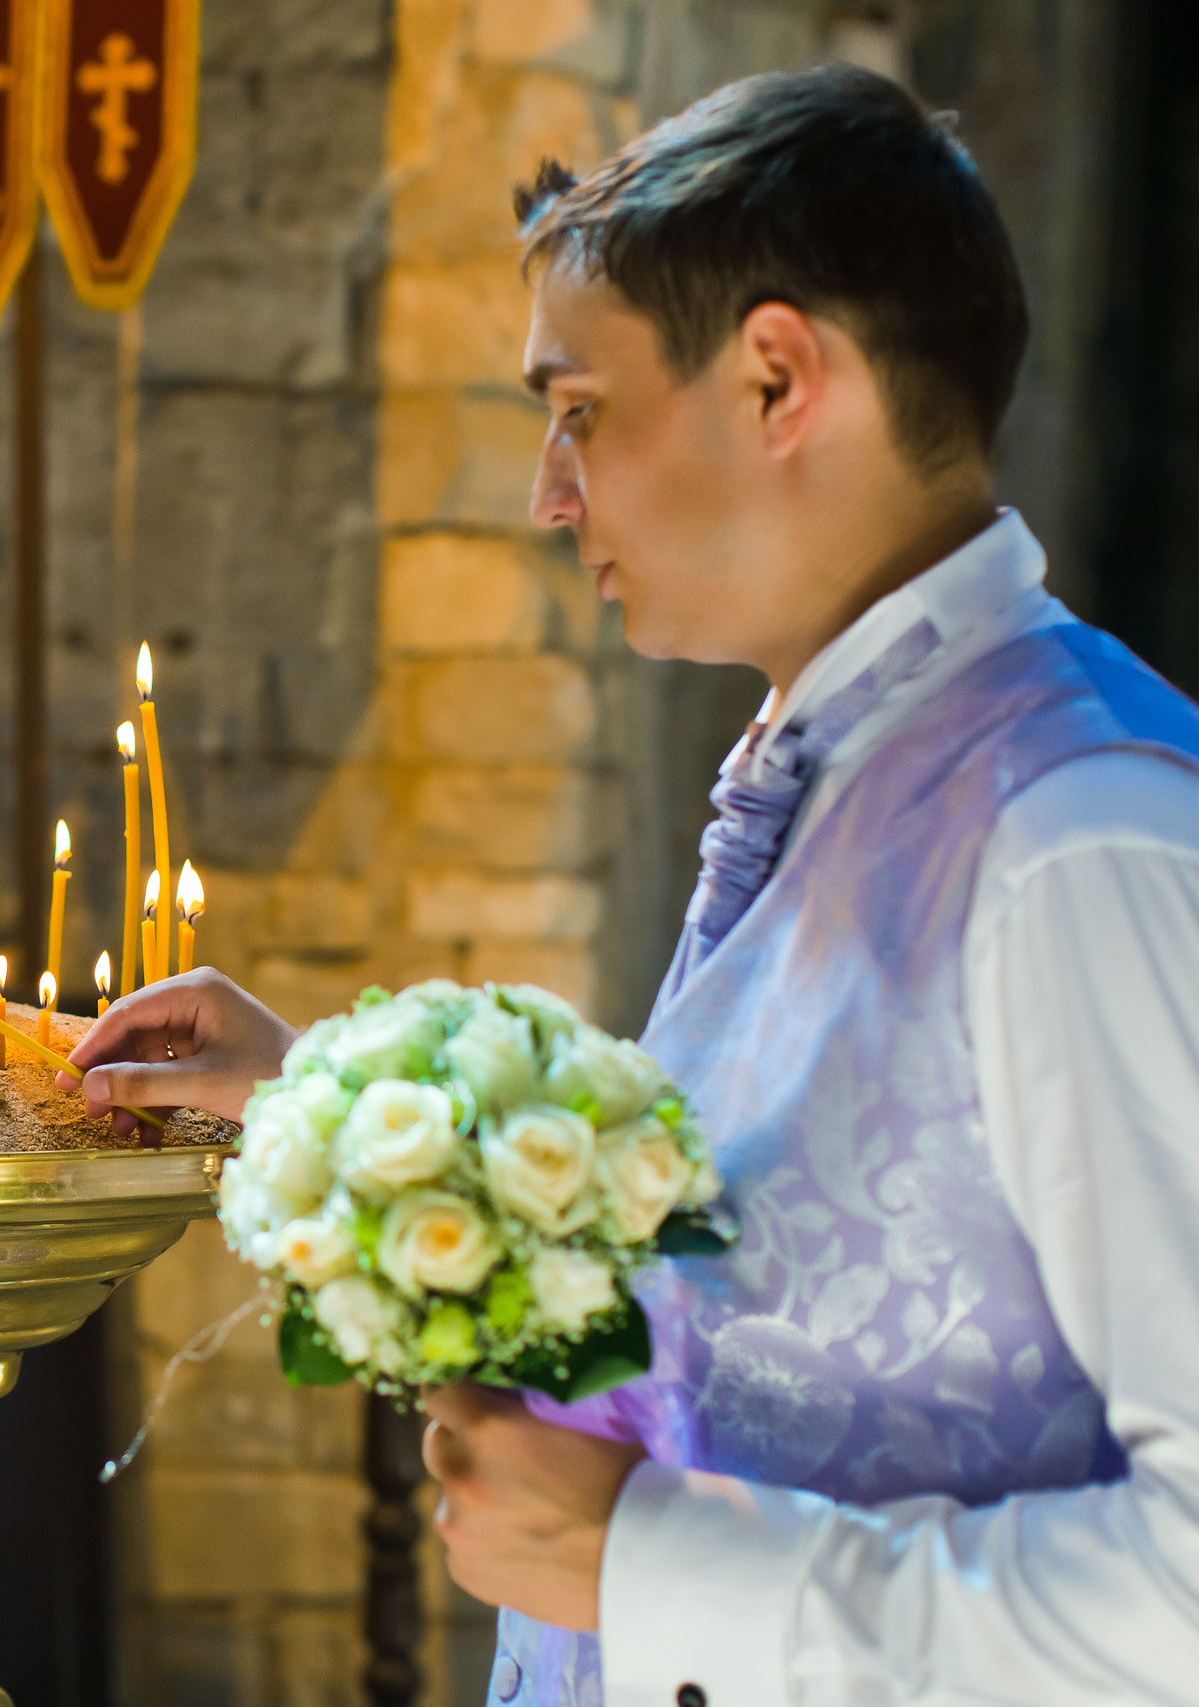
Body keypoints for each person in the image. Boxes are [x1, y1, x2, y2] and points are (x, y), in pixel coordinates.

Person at [67, 65, 1199, 1706]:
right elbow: (816, 1254)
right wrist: (315, 1104)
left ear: (776, 376)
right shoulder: (839, 767)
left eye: (582, 411)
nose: (547, 492)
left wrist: (651, 1564)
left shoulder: (1078, 844)